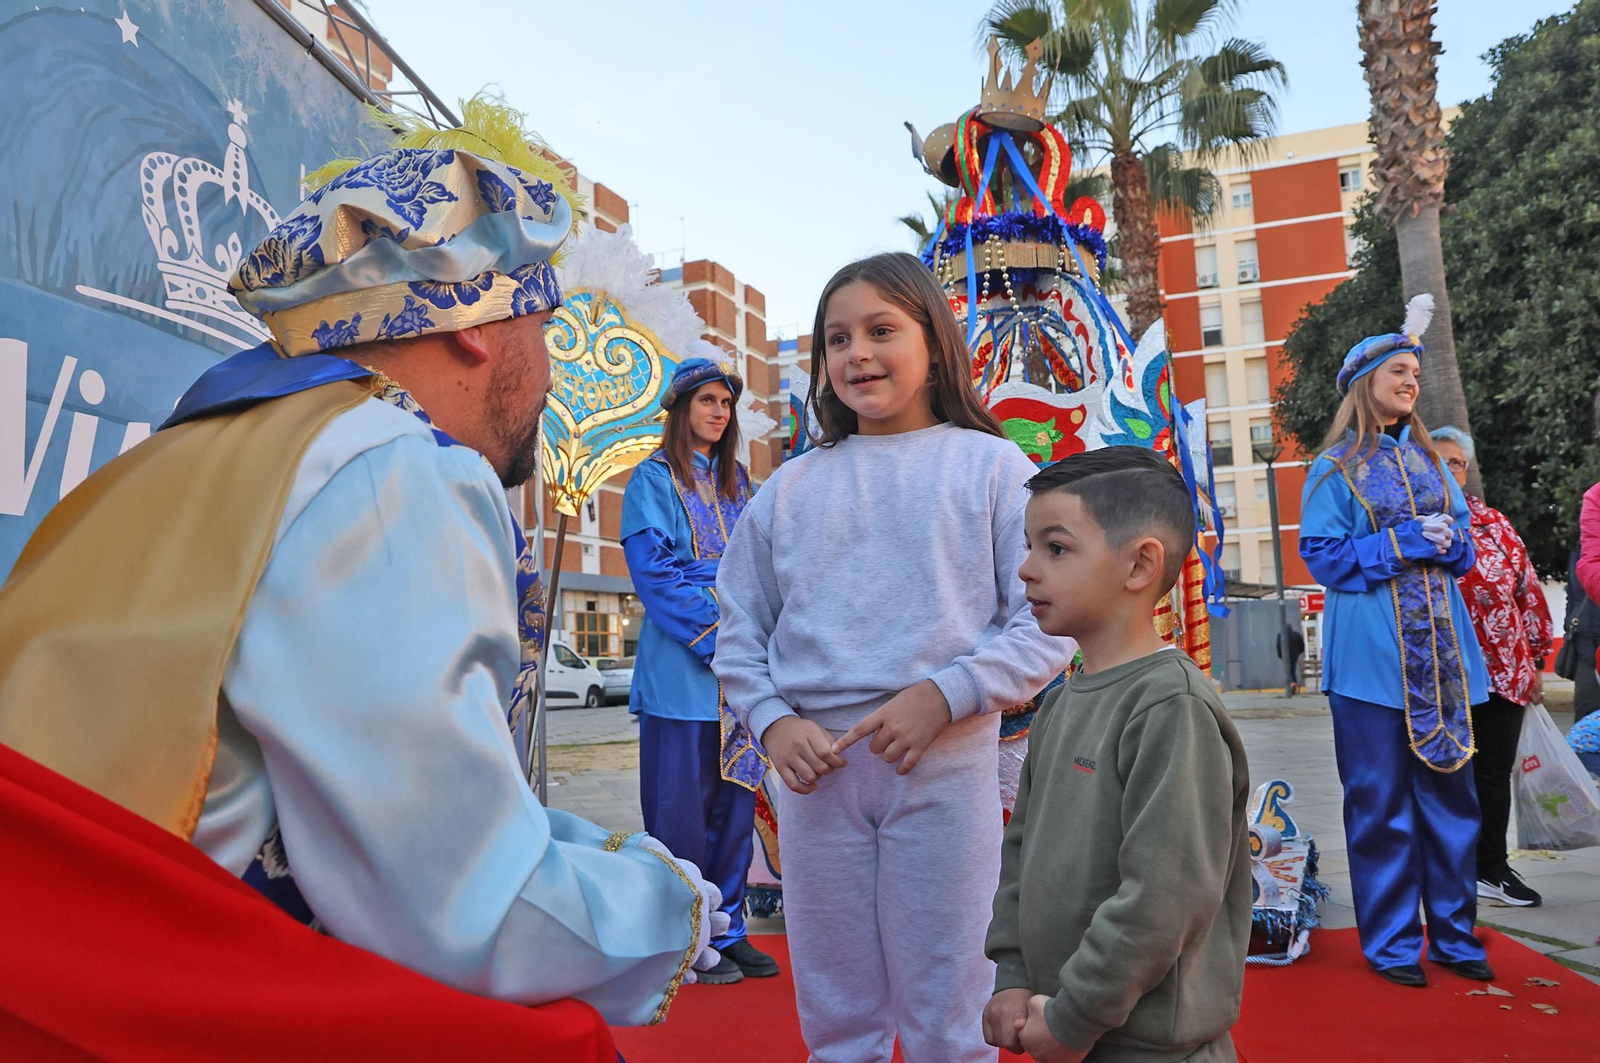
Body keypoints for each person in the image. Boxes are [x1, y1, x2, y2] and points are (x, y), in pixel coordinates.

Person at [0, 108, 725, 1029]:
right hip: (145, 1011)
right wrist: (668, 904)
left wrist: (601, 854)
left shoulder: (191, 449)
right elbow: (462, 901)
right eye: (542, 329)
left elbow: (380, 800)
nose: (547, 375)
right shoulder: (394, 467)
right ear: (478, 324)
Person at [714, 251, 1072, 1063]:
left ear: (935, 344)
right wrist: (772, 722)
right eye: (837, 339)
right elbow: (738, 628)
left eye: (881, 330)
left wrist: (948, 694)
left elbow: (1050, 619)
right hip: (817, 777)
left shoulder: (994, 468)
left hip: (942, 767)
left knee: (953, 1001)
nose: (858, 354)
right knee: (837, 1005)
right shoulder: (789, 489)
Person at [984, 446, 1251, 1063]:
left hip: (1147, 1046)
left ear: (1140, 565)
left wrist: (1076, 1015)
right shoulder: (1062, 701)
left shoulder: (1170, 707)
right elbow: (1020, 852)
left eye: (1055, 548)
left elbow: (1165, 895)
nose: (1026, 569)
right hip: (1062, 1024)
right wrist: (1014, 974)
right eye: (1028, 546)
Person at [1298, 296, 1493, 988]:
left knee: (1454, 800)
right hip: (1370, 665)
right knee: (1378, 804)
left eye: (1415, 372)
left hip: (1443, 661)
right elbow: (1322, 556)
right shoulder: (1333, 467)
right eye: (1399, 371)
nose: (1412, 381)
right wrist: (1403, 541)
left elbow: (1467, 548)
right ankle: (1390, 944)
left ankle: (1456, 937)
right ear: (1365, 382)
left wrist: (1451, 542)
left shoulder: (1433, 464)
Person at [620, 356, 778, 985]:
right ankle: (684, 938)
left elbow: (766, 565)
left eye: (726, 402)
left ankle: (729, 928)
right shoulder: (652, 478)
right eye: (706, 400)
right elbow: (654, 575)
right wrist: (722, 636)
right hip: (681, 668)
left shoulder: (743, 484)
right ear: (681, 408)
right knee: (679, 808)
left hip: (740, 672)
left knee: (736, 804)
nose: (718, 411)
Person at [1432, 426, 1553, 908]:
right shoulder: (1410, 528)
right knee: (1443, 775)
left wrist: (1536, 662)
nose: (1448, 470)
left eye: (1456, 462)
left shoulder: (1493, 524)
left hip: (1504, 673)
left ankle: (1491, 868)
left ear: (1465, 471)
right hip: (1438, 678)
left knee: (1492, 775)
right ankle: (1446, 870)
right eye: (1438, 461)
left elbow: (1528, 592)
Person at [1276, 625, 1306, 695]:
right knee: (1292, 669)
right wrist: (1298, 652)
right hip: (1294, 654)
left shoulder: (1281, 635)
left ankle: (1292, 683)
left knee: (1288, 670)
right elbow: (1302, 645)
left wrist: (1280, 655)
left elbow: (1278, 645)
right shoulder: (1296, 635)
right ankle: (1294, 682)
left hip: (1285, 655)